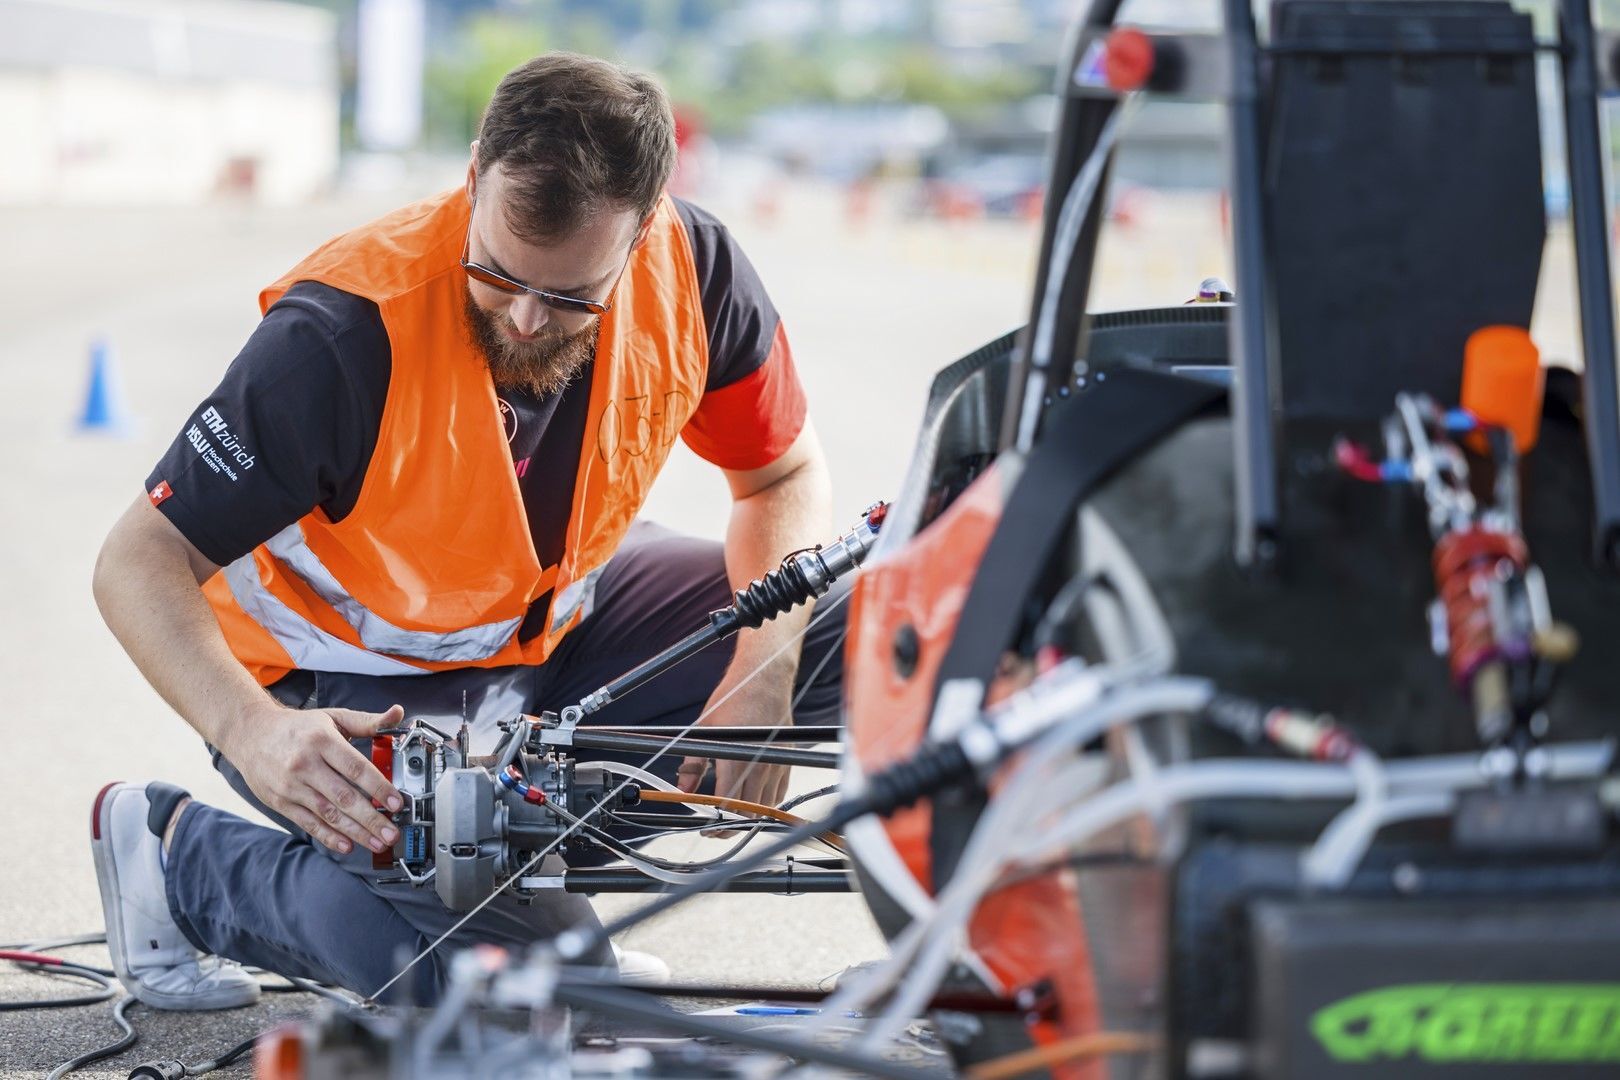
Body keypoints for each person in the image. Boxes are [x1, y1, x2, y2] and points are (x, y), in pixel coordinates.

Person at [89, 52, 846, 1009]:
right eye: (497, 274)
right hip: (347, 691)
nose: (527, 320)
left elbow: (780, 473)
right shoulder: (342, 333)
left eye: (572, 295)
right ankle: (180, 863)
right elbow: (135, 559)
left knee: (877, 613)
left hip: (551, 635)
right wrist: (253, 730)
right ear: (475, 174)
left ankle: (516, 893)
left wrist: (762, 671)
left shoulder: (695, 269)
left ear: (647, 225)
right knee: (510, 1005)